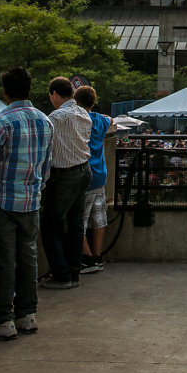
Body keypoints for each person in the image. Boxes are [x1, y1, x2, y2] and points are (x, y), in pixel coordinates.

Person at [0, 66, 53, 340]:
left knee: (4, 261)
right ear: (29, 88)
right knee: (28, 257)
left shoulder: (2, 121)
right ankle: (26, 315)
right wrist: (37, 189)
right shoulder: (45, 121)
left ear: (5, 91)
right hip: (31, 201)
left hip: (2, 202)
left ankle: (2, 319)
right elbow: (46, 166)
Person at [40, 76, 92, 289]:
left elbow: (45, 148)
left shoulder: (56, 117)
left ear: (54, 94)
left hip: (64, 174)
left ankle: (61, 274)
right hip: (83, 170)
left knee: (50, 223)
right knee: (76, 224)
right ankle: (74, 271)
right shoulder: (83, 114)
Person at [73, 85, 114, 274]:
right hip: (101, 173)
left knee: (79, 219)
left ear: (76, 101)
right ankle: (97, 256)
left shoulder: (80, 120)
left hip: (85, 174)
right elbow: (110, 119)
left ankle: (87, 258)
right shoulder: (100, 120)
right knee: (99, 217)